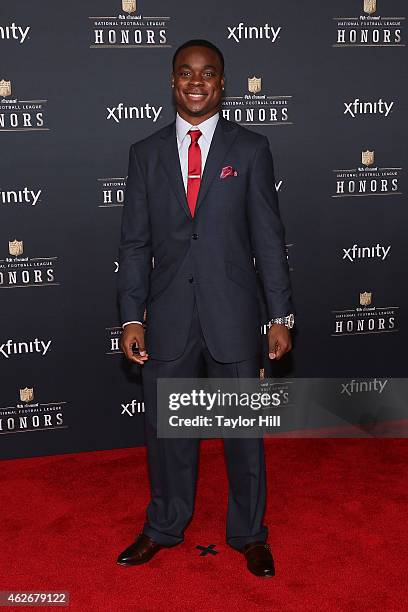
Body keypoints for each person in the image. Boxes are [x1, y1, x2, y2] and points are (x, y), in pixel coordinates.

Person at [117, 39, 294, 578]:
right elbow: (134, 244)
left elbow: (269, 238)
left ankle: (248, 533)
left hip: (234, 315)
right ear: (172, 83)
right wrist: (131, 315)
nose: (197, 82)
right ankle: (165, 525)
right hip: (168, 316)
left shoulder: (251, 149)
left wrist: (280, 316)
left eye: (208, 73)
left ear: (222, 83)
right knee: (168, 434)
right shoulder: (145, 154)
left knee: (243, 435)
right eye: (186, 73)